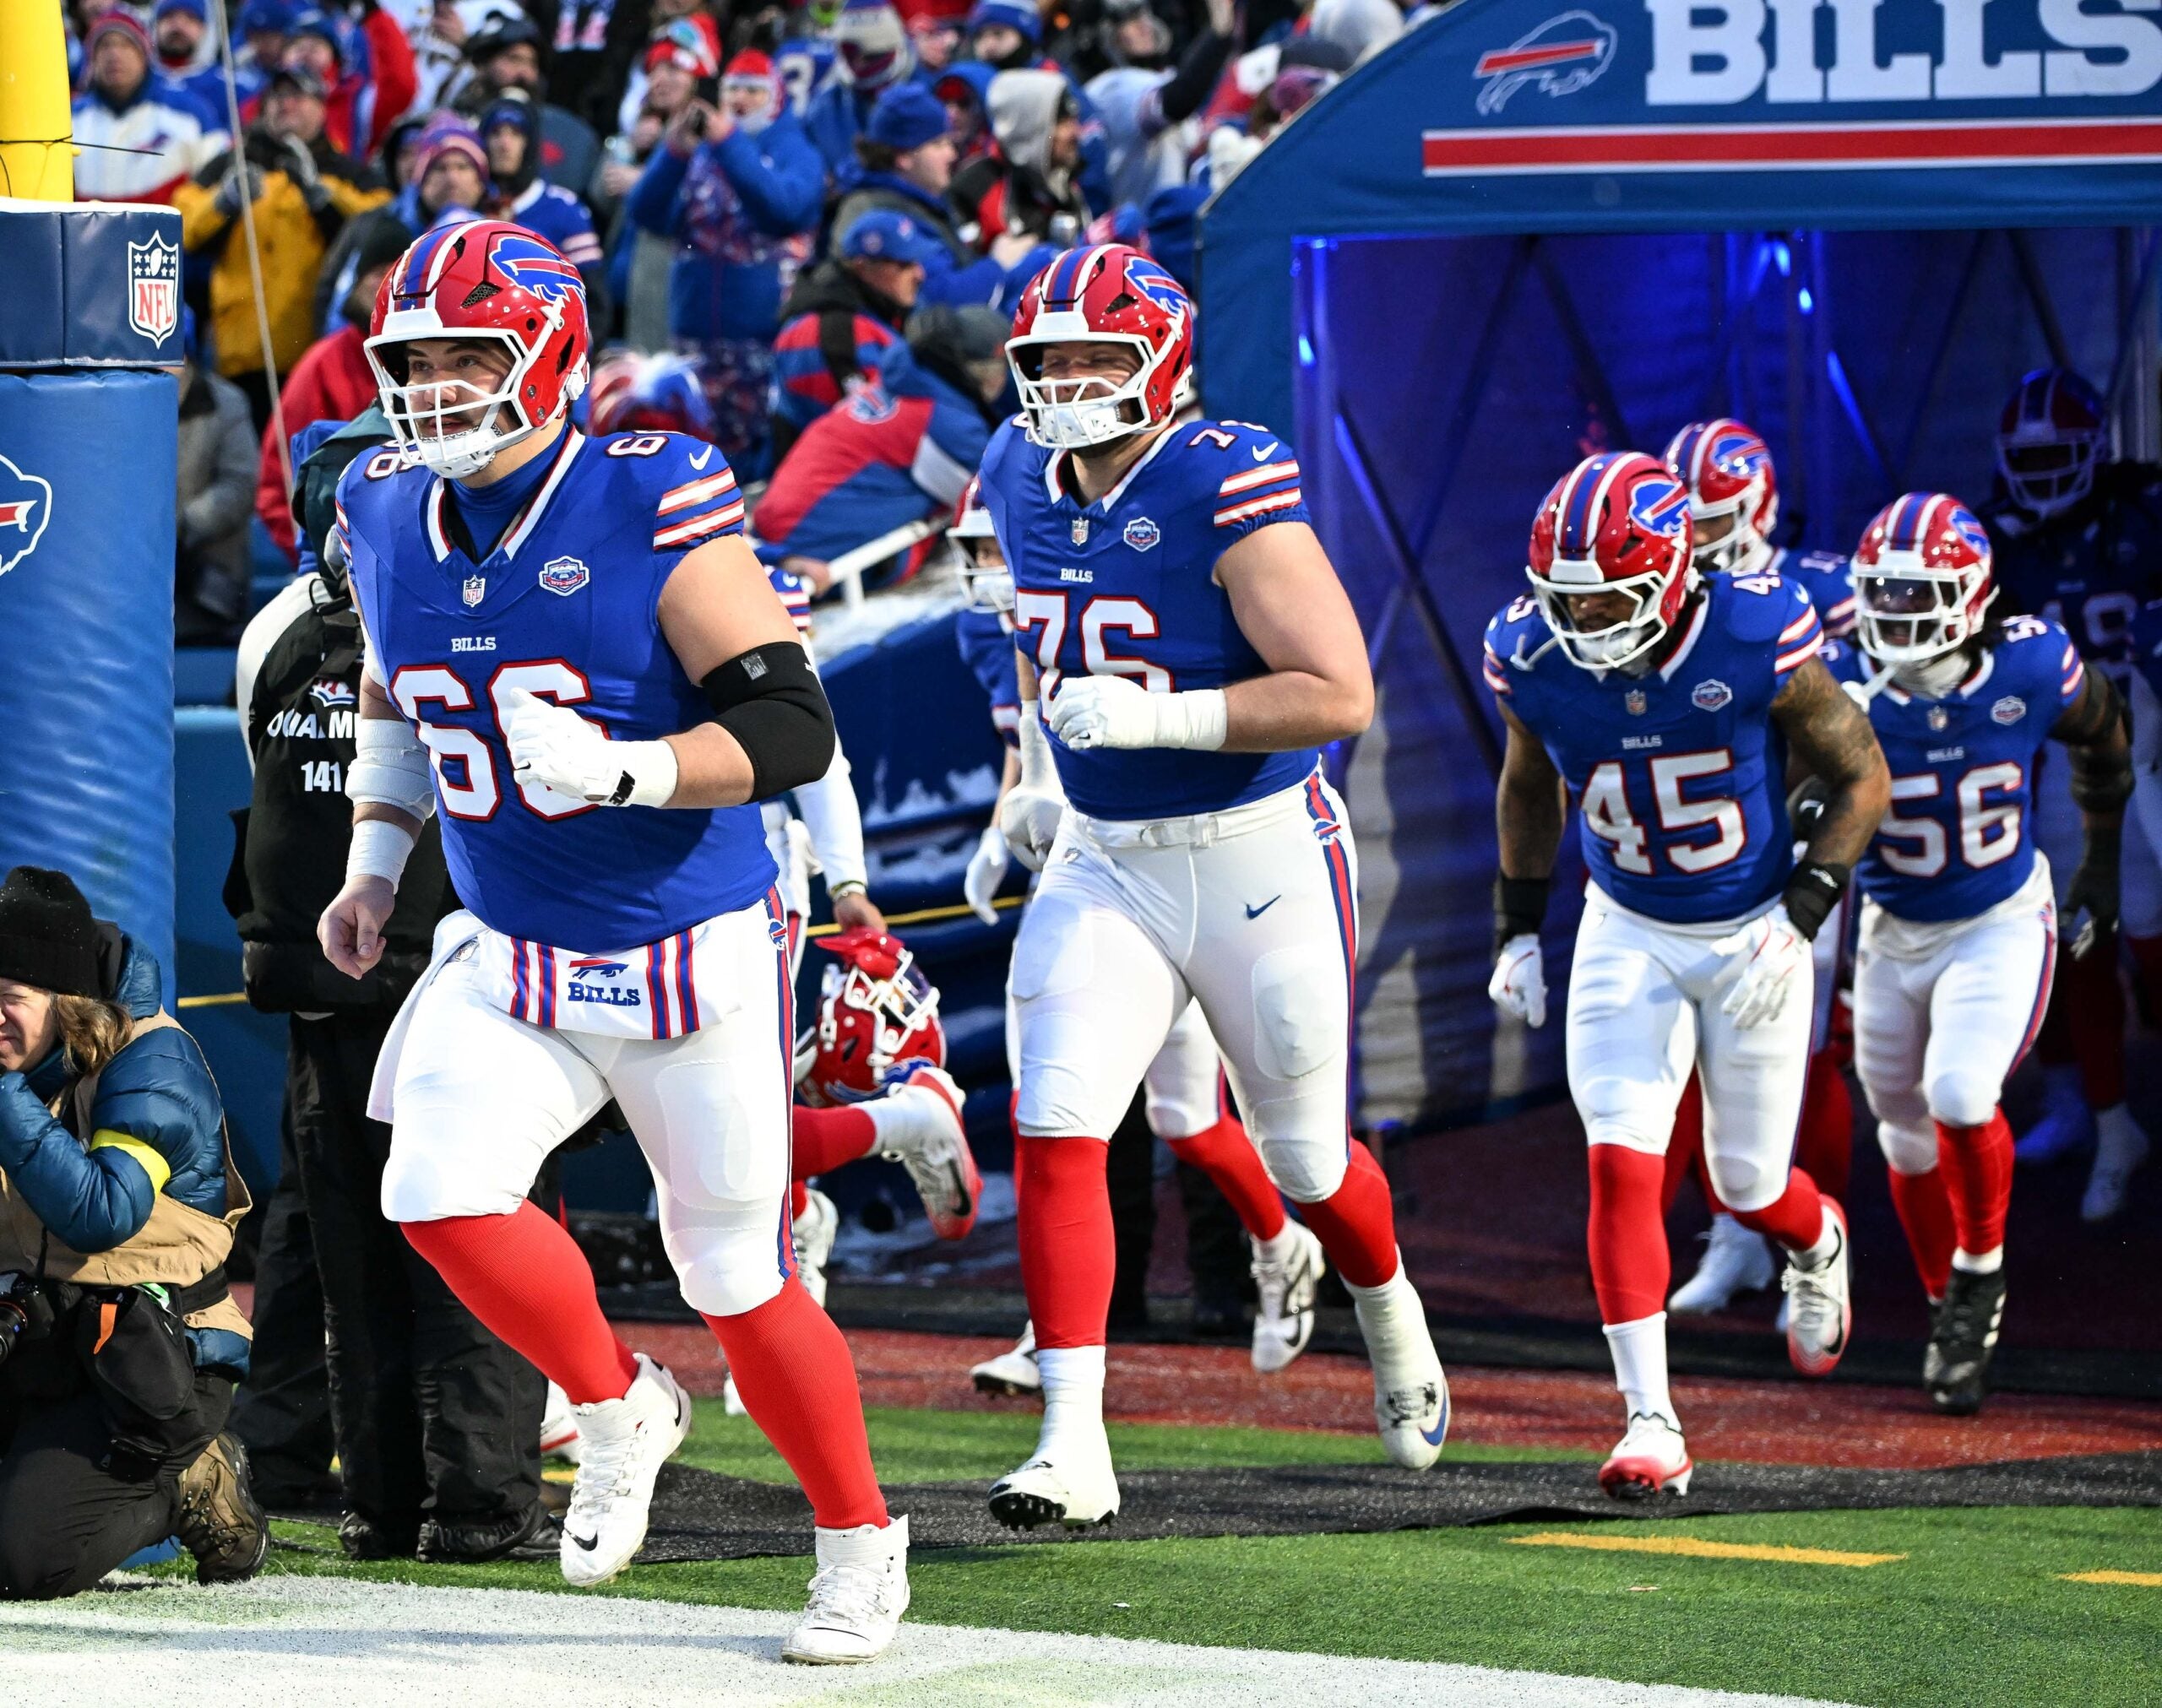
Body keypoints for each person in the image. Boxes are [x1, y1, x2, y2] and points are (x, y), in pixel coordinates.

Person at [320, 220, 906, 1657]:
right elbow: (400, 699)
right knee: (436, 1192)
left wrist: (632, 765)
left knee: (733, 1273)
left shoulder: (648, 493)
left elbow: (790, 723)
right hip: (510, 943)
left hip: (682, 944)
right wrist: (375, 861)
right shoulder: (385, 502)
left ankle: (856, 1539)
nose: (439, 384)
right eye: (417, 357)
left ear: (555, 354)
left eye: (472, 353)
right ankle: (612, 1400)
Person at [974, 244, 1448, 1530]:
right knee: (1059, 1116)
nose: (1068, 384)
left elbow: (1337, 690)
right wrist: (1031, 768)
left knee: (1302, 1153)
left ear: (1163, 362)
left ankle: (1388, 1303)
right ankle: (1073, 1442)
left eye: (1095, 357)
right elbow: (1038, 636)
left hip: (1257, 848)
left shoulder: (1220, 474)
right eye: (1048, 359)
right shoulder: (1017, 468)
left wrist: (1159, 717)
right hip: (1105, 854)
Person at [1484, 449, 1888, 1497]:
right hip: (1626, 924)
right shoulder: (1530, 654)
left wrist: (1801, 915)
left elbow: (1860, 774)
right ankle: (1650, 1420)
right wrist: (1518, 928)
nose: (1582, 623)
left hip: (1753, 920)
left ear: (1670, 574)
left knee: (1744, 1181)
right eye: (1562, 599)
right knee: (1619, 1157)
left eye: (1608, 597)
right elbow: (1529, 788)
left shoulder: (1754, 630)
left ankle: (1816, 1234)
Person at [228, 431, 561, 1561]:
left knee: (349, 1255)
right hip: (464, 976)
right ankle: (476, 1501)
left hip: (334, 981)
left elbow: (261, 779)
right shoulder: (481, 614)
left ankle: (379, 1497)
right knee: (470, 1236)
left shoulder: (276, 631)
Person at [950, 480, 1328, 1391]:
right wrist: (1009, 815)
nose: (987, 570)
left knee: (1187, 1119)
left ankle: (1282, 1244)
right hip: (1086, 885)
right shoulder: (1004, 631)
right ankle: (1058, 1338)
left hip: (1185, 872)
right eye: (976, 551)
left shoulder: (1123, 598)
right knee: (1053, 1106)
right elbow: (1029, 738)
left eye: (998, 548)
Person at [1822, 492, 2130, 1416]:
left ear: (1970, 597)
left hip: (1997, 918)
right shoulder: (1839, 675)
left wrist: (2100, 864)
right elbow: (1792, 789)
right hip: (1889, 927)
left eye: (1915, 596)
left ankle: (1980, 1274)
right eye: (1880, 593)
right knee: (1902, 1133)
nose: (1892, 616)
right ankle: (1944, 1313)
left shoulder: (2032, 661)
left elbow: (2104, 736)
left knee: (1961, 1092)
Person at [0, 866, 269, 1598]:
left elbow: (100, 1212)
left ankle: (189, 1478)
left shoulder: (154, 1059)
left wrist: (1, 1095)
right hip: (42, 1337)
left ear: (66, 1001)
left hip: (152, 1365)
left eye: (9, 999)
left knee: (23, 1561)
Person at [1659, 418, 1860, 1316]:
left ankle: (1808, 1244)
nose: (1695, 537)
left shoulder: (1817, 590)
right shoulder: (1667, 595)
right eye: (1683, 519)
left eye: (1712, 518)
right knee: (1705, 1051)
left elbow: (1845, 738)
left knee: (1802, 1049)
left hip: (1797, 839)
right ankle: (1736, 1231)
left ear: (1759, 505)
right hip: (1706, 848)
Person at [1983, 368, 2159, 1220]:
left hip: (2153, 756)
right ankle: (2093, 1111)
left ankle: (2121, 1109)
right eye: (2033, 458)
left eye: (2062, 456)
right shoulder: (1996, 542)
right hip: (2062, 765)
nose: (2045, 473)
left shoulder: (2145, 512)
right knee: (2068, 946)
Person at [629, 49, 824, 472]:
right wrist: (674, 153)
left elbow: (784, 210)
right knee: (696, 455)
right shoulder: (705, 153)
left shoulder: (795, 150)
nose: (741, 101)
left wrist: (730, 144)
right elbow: (645, 213)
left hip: (762, 342)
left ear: (775, 97)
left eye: (754, 92)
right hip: (696, 339)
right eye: (733, 90)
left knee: (755, 455)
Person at [175, 63, 389, 431]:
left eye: (298, 96)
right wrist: (223, 202)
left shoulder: (348, 172)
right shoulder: (231, 164)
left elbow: (382, 227)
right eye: (277, 97)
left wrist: (324, 196)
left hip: (315, 352)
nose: (286, 105)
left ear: (323, 108)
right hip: (237, 354)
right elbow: (178, 223)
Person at [754, 304, 1009, 594]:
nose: (998, 380)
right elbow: (1006, 500)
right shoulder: (943, 423)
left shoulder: (898, 382)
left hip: (774, 534)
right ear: (964, 367)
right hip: (807, 555)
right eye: (991, 369)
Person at [260, 220, 410, 562]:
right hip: (337, 567)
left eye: (398, 277)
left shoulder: (437, 365)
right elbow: (277, 482)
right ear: (356, 285)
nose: (385, 287)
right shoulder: (322, 365)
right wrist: (318, 557)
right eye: (376, 274)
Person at [832, 84, 1046, 307]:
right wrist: (998, 264)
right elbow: (935, 298)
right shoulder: (876, 212)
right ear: (903, 156)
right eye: (938, 144)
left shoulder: (920, 200)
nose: (951, 154)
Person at [769, 209, 930, 464]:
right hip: (831, 484)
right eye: (903, 265)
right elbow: (869, 431)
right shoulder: (829, 333)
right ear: (863, 268)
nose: (920, 274)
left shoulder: (885, 310)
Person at [1084, 0, 1236, 209]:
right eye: (1129, 22)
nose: (1143, 25)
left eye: (1143, 15)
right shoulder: (1109, 88)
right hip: (1142, 225)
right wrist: (1219, 31)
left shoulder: (1163, 76)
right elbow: (1177, 103)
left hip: (1175, 213)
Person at [70, 8, 225, 204]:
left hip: (170, 234)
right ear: (92, 59)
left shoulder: (190, 113)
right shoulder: (71, 119)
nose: (115, 54)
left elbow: (214, 184)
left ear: (144, 54)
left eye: (126, 45)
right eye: (105, 46)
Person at [480, 86, 611, 313]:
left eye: (516, 133)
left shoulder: (565, 209)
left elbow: (594, 303)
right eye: (496, 133)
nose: (504, 144)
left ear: (531, 142)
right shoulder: (469, 206)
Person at [175, 307, 260, 643]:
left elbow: (239, 487)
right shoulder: (128, 407)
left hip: (206, 578)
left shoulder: (226, 403)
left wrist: (178, 525)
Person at [460, 10, 601, 193]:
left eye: (532, 63)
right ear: (482, 64)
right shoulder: (455, 122)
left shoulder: (568, 132)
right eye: (513, 59)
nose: (524, 72)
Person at [950, 69, 1093, 247]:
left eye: (1074, 120)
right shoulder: (972, 189)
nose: (1076, 133)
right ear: (1030, 128)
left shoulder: (1063, 178)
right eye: (1062, 123)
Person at [280, 4, 420, 165]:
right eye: (297, 47)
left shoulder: (356, 102)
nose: (305, 53)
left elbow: (400, 87)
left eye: (314, 48)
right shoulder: (264, 102)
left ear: (335, 58)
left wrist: (373, 15)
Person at [806, 0, 923, 176]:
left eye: (870, 57)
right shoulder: (823, 111)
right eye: (850, 56)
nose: (859, 65)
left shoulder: (928, 94)